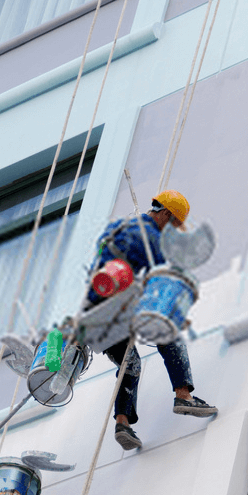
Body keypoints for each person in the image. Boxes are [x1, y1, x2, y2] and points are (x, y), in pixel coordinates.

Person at [87, 189, 217, 451]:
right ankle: (184, 396)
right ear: (165, 214)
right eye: (173, 224)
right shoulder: (147, 233)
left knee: (130, 363)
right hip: (117, 302)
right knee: (167, 332)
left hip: (96, 313)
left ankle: (122, 424)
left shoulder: (121, 229)